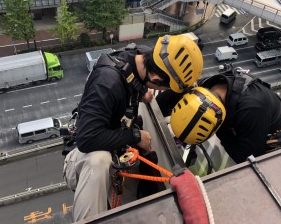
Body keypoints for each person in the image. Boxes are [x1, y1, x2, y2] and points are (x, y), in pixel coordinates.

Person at [63, 34, 203, 221]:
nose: (161, 92)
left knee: (129, 205)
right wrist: (136, 136)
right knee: (99, 160)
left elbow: (134, 74)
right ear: (155, 77)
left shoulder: (139, 60)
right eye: (163, 88)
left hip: (116, 146)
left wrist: (142, 90)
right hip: (83, 156)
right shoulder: (107, 82)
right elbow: (87, 140)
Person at [156, 66, 281, 164]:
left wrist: (221, 128)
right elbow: (162, 103)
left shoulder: (251, 109)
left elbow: (246, 157)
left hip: (274, 135)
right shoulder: (205, 86)